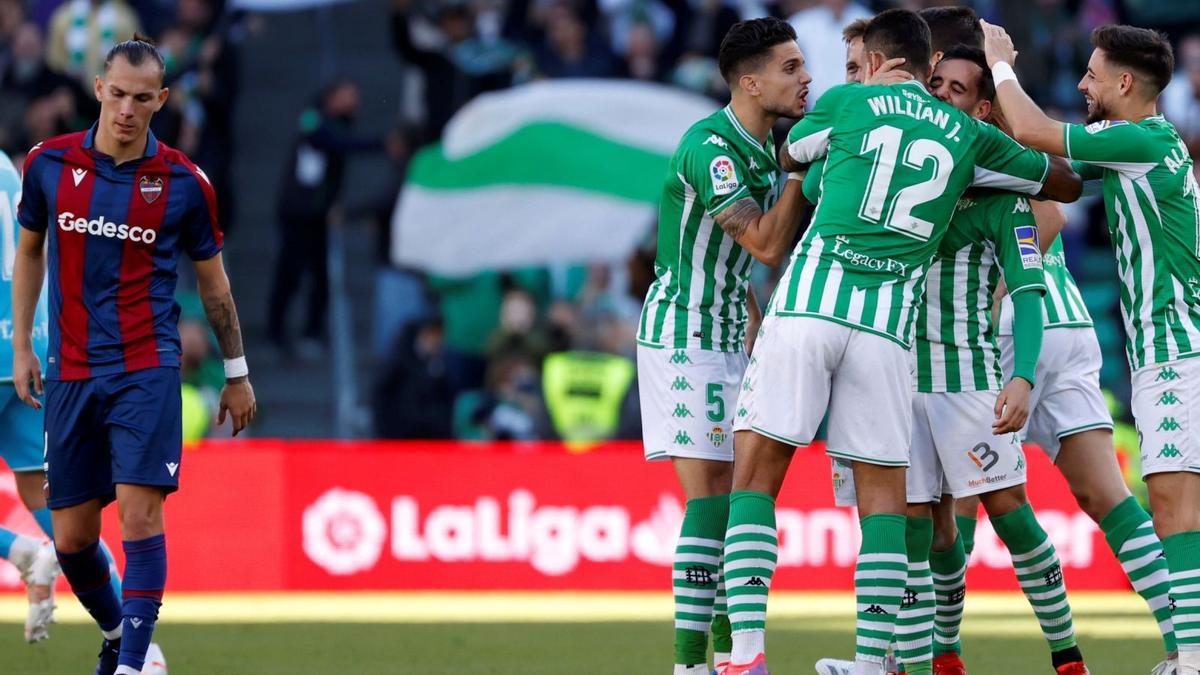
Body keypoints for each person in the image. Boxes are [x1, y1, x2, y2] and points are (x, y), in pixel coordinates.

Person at [723, 9, 1081, 675]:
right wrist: (992, 168)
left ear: (884, 60)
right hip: (888, 332)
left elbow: (792, 152)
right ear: (926, 62)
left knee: (757, 474)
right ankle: (869, 658)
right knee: (886, 497)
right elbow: (1064, 182)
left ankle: (744, 657)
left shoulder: (848, 101)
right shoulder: (969, 134)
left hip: (812, 304)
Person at [814, 46, 1093, 675]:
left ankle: (1068, 657)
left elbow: (1028, 291)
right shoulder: (902, 169)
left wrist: (1021, 374)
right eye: (934, 83)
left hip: (967, 379)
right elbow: (811, 184)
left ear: (982, 107)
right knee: (922, 532)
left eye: (958, 89)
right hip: (897, 376)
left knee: (1011, 516)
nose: (942, 96)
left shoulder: (1002, 196)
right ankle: (930, 660)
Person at [11, 36, 255, 675]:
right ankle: (125, 638)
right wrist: (20, 346)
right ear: (98, 88)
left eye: (141, 98)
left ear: (162, 101)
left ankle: (131, 667)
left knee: (142, 515)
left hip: (146, 367)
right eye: (117, 93)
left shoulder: (183, 183)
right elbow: (30, 251)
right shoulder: (47, 165)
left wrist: (236, 373)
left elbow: (215, 287)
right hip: (69, 371)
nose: (126, 108)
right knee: (72, 539)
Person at [982, 19, 1200, 675]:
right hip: (1174, 346)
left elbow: (1034, 133)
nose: (1081, 83)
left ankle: (1190, 655)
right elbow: (1052, 170)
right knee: (1171, 501)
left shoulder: (1137, 138)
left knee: (1172, 502)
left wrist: (999, 64)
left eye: (1093, 74)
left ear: (1125, 83)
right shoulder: (1144, 144)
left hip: (1178, 349)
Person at [636, 16, 812, 675]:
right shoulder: (710, 146)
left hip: (732, 333)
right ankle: (691, 664)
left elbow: (746, 270)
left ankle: (726, 657)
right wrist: (799, 170)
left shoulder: (765, 149)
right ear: (749, 80)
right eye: (791, 67)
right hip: (684, 334)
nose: (806, 78)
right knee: (714, 498)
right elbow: (765, 244)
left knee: (731, 500)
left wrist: (761, 329)